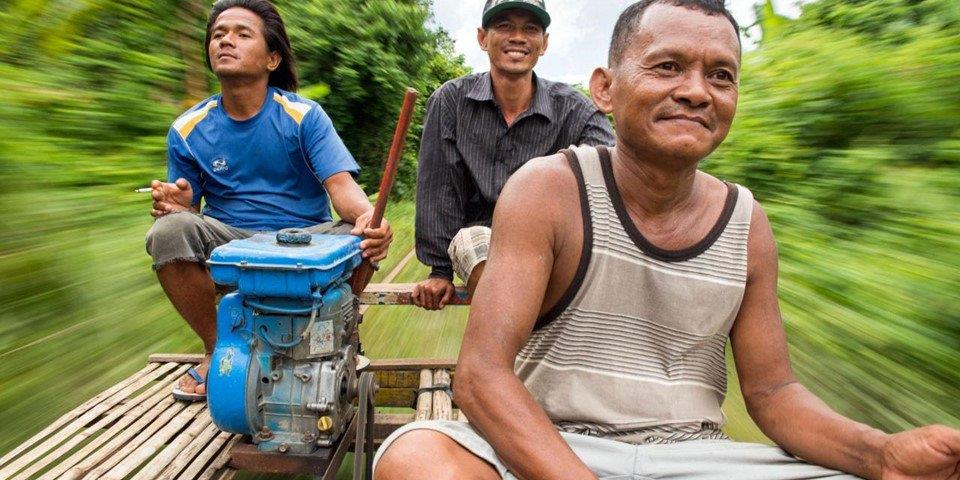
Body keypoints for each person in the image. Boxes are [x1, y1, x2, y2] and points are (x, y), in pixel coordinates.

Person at [375, 1, 960, 479]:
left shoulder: (746, 220)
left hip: (695, 454)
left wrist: (880, 455)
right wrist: (437, 265)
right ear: (606, 88)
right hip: (547, 441)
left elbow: (775, 391)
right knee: (418, 460)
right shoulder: (547, 187)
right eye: (667, 68)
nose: (697, 92)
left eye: (721, 76)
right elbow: (481, 377)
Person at [145, 0, 392, 401]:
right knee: (168, 231)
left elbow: (343, 190)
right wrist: (181, 205)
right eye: (219, 34)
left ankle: (342, 333)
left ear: (272, 58)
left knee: (365, 234)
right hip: (233, 239)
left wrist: (368, 217)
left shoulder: (304, 116)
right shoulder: (188, 128)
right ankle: (220, 350)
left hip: (306, 238)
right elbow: (187, 213)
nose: (226, 40)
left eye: (243, 34)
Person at [412, 0, 615, 310]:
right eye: (504, 26)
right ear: (483, 38)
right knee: (476, 245)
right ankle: (518, 345)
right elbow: (438, 186)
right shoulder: (450, 101)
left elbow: (610, 168)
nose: (518, 37)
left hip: (551, 240)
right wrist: (440, 270)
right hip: (479, 240)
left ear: (544, 43)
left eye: (530, 28)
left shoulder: (575, 108)